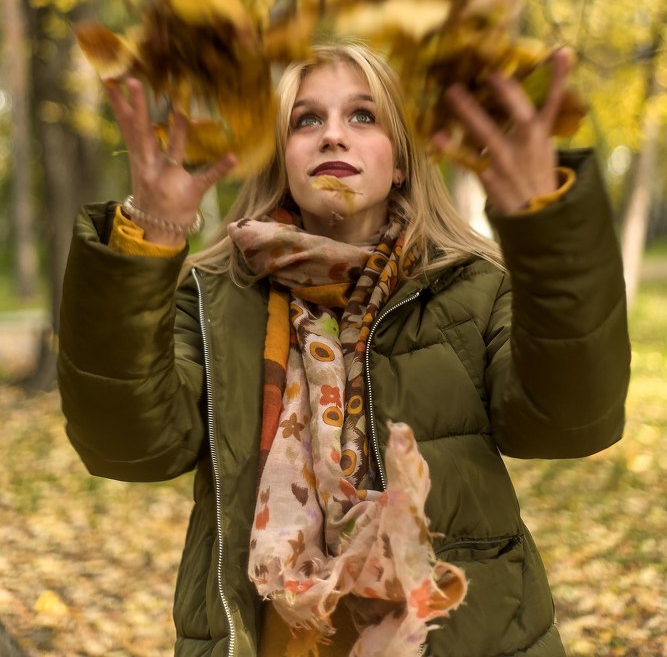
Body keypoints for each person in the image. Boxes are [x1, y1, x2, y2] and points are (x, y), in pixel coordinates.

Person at [58, 41, 630, 657]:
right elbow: (130, 447)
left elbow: (571, 423)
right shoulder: (212, 300)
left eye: (363, 116)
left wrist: (547, 228)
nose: (333, 136)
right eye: (306, 120)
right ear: (282, 156)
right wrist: (146, 244)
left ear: (402, 161)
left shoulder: (474, 289)